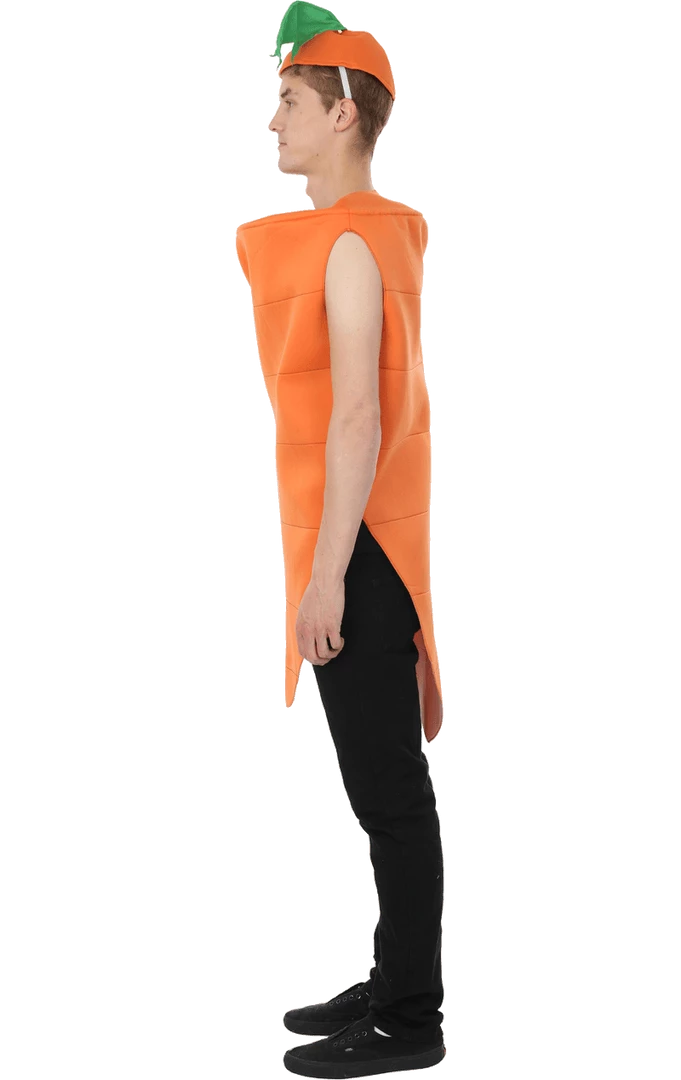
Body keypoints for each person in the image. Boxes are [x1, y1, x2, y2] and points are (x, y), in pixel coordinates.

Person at [235, 5, 446, 1076]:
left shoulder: (353, 239)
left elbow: (359, 417)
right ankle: (393, 973)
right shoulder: (351, 232)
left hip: (355, 549)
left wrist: (324, 581)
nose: (274, 120)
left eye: (289, 102)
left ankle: (411, 1018)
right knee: (379, 788)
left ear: (342, 116)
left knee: (391, 797)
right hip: (346, 540)